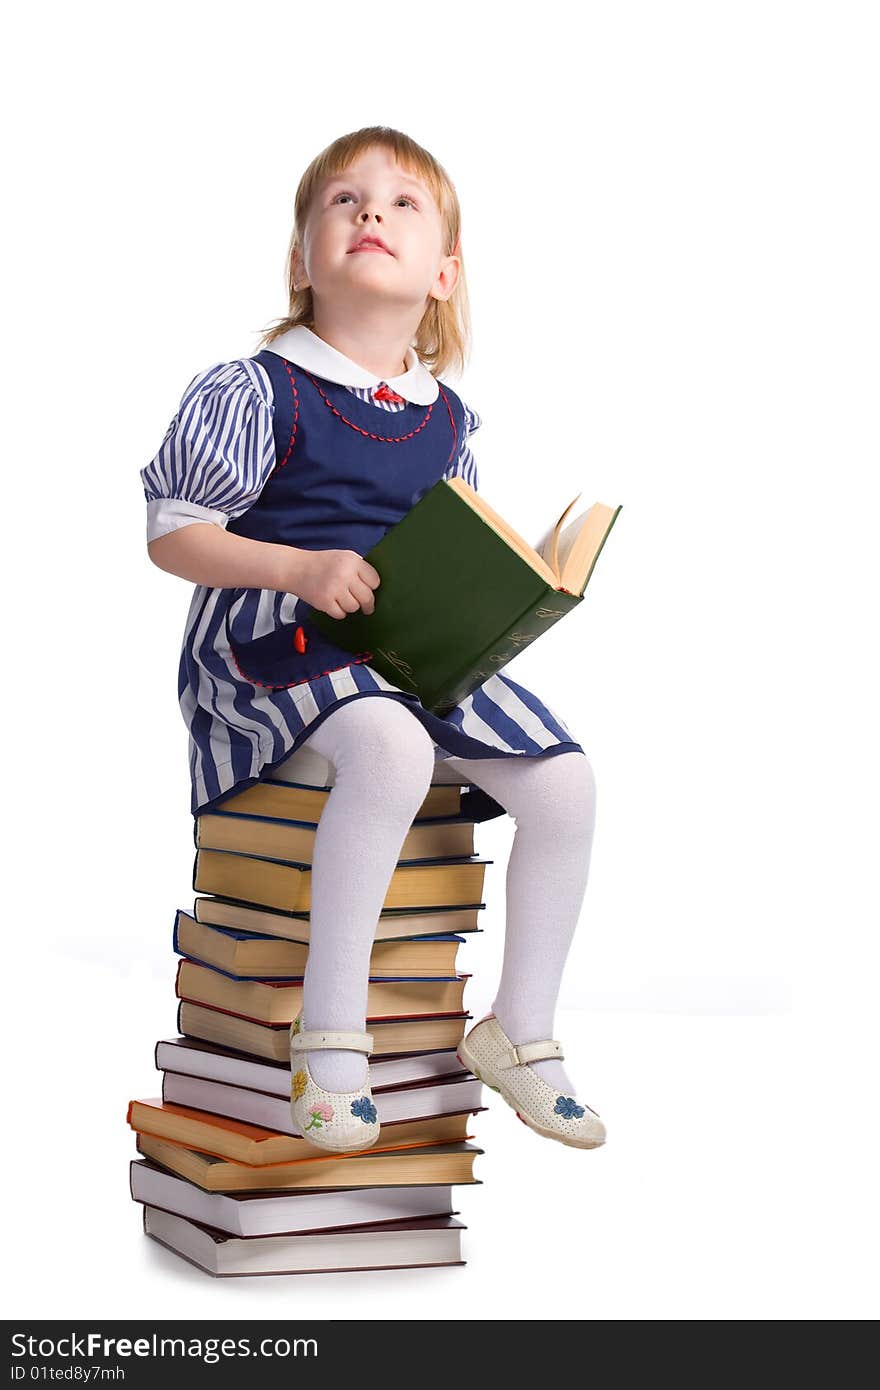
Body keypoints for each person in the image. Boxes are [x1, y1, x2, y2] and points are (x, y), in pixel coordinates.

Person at [141, 125, 606, 1156]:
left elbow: (443, 550)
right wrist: (297, 568)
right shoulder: (255, 389)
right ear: (303, 261)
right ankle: (333, 1029)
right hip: (273, 643)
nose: (369, 215)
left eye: (401, 205)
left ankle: (519, 1027)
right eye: (343, 201)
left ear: (442, 273)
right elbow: (174, 532)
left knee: (566, 781)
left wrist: (491, 599)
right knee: (390, 746)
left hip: (395, 653)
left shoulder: (448, 423)